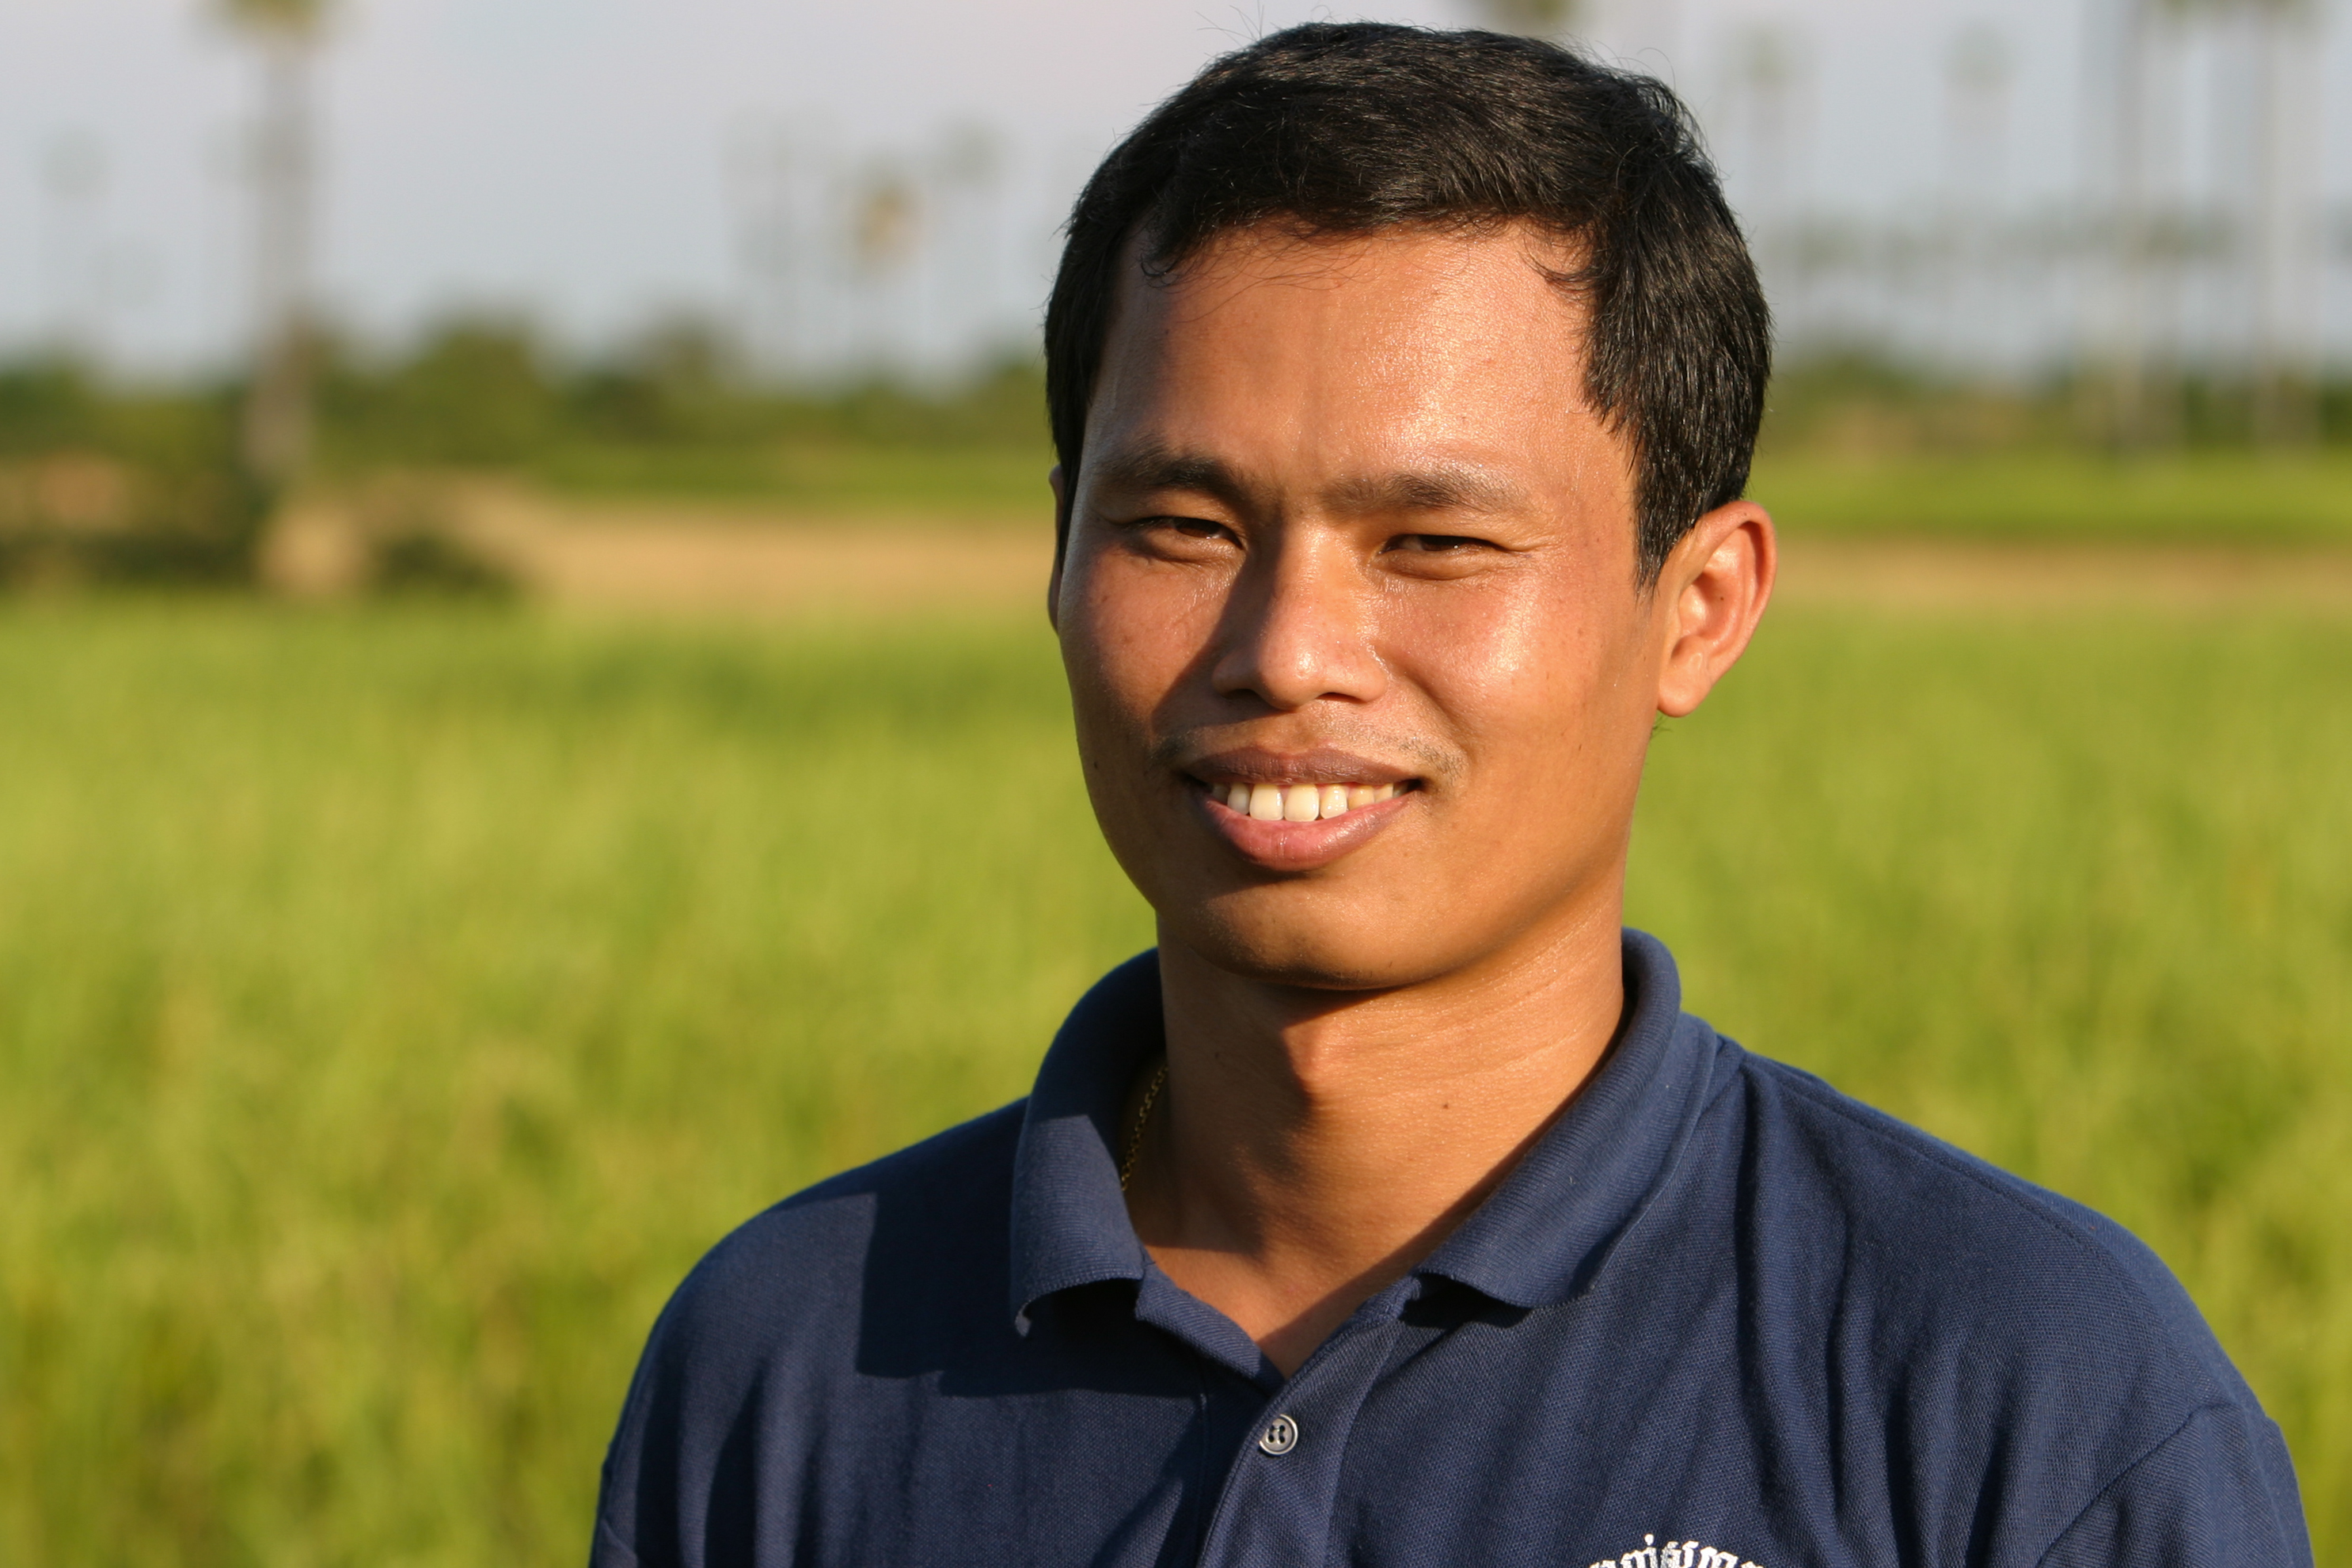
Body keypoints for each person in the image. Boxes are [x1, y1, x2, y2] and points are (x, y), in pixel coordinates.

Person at [588, 24, 2309, 1567]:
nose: (1286, 651)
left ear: (1699, 608)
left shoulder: (2019, 1395)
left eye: (1435, 543)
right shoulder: (787, 1364)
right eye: (1182, 529)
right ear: (1055, 554)